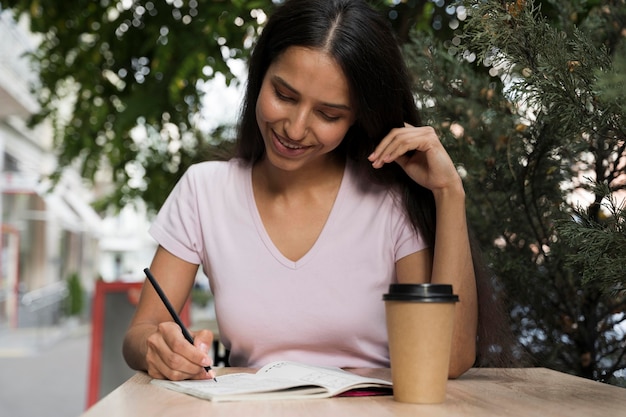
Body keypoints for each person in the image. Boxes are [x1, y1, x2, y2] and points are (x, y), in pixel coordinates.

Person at [123, 0, 482, 382]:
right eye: (284, 95)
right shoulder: (204, 191)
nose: (294, 129)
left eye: (328, 115)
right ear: (261, 76)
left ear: (357, 117)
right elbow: (140, 332)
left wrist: (448, 191)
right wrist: (157, 349)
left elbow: (448, 359)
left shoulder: (389, 199)